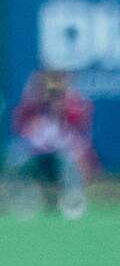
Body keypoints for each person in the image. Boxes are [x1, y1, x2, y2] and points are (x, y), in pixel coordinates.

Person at [6, 70, 96, 220]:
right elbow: (19, 126)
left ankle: (73, 200)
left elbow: (80, 130)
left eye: (56, 89)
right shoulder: (32, 107)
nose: (52, 92)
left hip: (64, 156)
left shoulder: (73, 106)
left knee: (71, 161)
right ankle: (25, 198)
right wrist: (35, 100)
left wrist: (63, 104)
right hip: (36, 154)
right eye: (49, 88)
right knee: (16, 159)